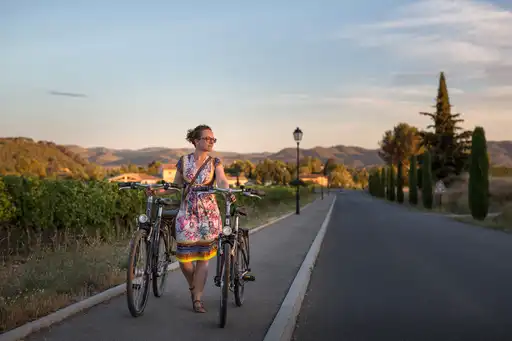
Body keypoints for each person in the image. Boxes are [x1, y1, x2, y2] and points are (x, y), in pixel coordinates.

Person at [172, 124, 235, 313]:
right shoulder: (183, 161)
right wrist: (158, 189)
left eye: (213, 139)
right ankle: (194, 287)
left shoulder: (215, 162)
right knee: (184, 258)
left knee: (203, 258)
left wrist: (227, 190)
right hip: (186, 212)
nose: (211, 142)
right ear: (195, 141)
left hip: (208, 214)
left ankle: (197, 299)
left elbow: (222, 179)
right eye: (207, 138)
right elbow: (175, 185)